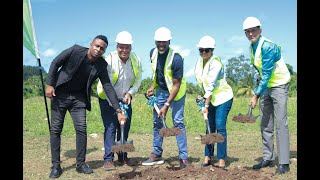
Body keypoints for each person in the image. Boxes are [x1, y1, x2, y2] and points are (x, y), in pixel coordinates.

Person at [45, 35, 126, 178]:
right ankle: (56, 165)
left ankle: (81, 164)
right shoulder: (75, 50)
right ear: (91, 44)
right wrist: (50, 84)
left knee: (81, 129)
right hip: (60, 94)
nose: (98, 49)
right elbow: (55, 62)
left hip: (79, 98)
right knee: (56, 129)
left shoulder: (101, 65)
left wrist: (118, 110)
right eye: (97, 46)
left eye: (102, 48)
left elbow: (107, 86)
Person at [242, 17, 291, 174]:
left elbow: (268, 73)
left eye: (253, 30)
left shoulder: (268, 46)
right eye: (247, 32)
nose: (250, 34)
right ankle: (268, 158)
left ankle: (284, 163)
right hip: (266, 86)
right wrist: (259, 88)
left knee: (281, 123)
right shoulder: (252, 48)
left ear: (260, 30)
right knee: (265, 122)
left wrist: (255, 94)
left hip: (279, 85)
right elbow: (260, 71)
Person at [142, 27, 189, 169]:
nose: (161, 44)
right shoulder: (153, 53)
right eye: (158, 42)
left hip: (177, 92)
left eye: (164, 42)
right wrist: (152, 87)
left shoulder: (176, 58)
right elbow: (157, 73)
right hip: (161, 90)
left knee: (178, 122)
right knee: (158, 122)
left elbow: (176, 84)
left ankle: (183, 158)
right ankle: (156, 153)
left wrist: (166, 105)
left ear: (169, 41)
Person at [96, 31, 142, 170]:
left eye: (127, 47)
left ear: (131, 47)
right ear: (117, 47)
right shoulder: (108, 60)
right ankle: (108, 159)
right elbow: (107, 85)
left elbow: (138, 79)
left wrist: (130, 93)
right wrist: (117, 108)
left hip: (125, 98)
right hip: (108, 98)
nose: (124, 50)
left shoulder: (135, 59)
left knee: (124, 126)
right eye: (121, 46)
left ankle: (123, 156)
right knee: (110, 127)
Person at [194, 36, 234, 169]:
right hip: (210, 98)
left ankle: (221, 158)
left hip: (223, 98)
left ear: (212, 50)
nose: (204, 53)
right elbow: (203, 83)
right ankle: (208, 156)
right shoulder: (199, 62)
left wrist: (205, 105)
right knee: (209, 127)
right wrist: (201, 95)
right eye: (201, 50)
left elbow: (210, 86)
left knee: (220, 126)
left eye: (207, 50)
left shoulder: (215, 63)